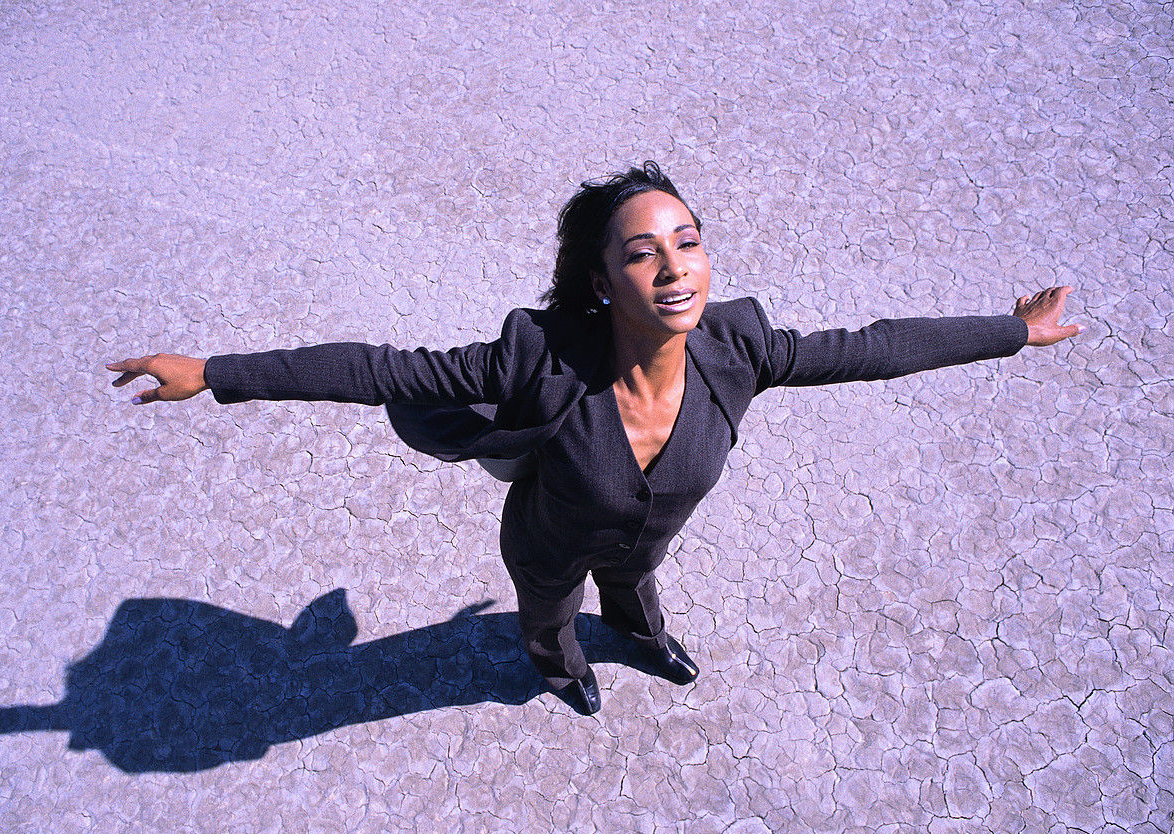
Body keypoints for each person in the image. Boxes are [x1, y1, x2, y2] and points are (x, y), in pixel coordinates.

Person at [109, 162, 1083, 715]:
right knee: (549, 612)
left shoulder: (740, 347)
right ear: (603, 281)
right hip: (545, 541)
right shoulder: (535, 358)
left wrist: (1011, 332)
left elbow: (872, 348)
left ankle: (642, 639)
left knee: (636, 585)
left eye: (688, 241)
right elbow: (380, 369)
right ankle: (558, 665)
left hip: (645, 535)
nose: (675, 268)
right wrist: (217, 371)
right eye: (642, 252)